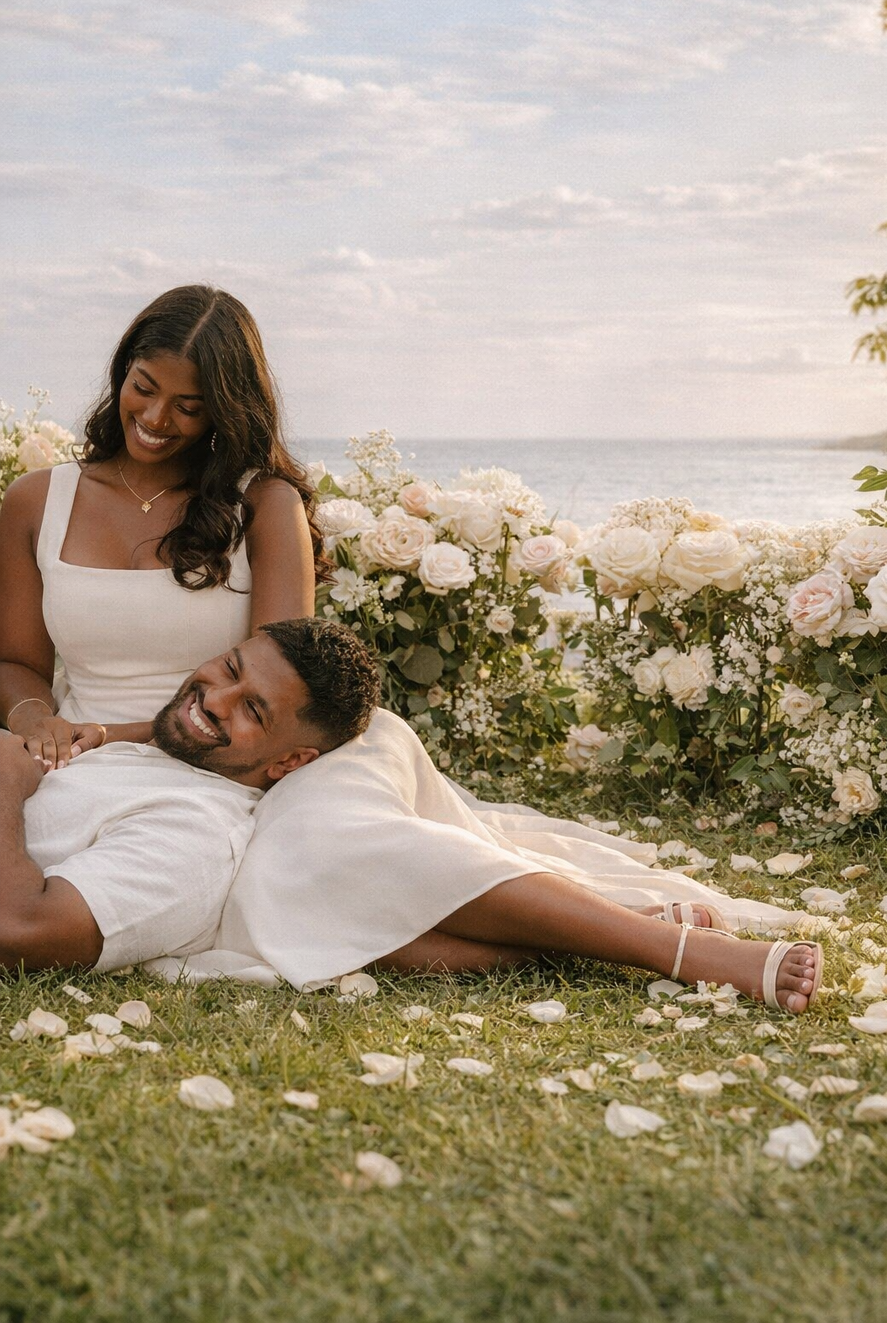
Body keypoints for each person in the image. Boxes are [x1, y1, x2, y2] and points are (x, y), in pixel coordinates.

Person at [170, 708, 824, 1015]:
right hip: (158, 758)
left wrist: (275, 742)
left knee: (342, 841)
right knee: (296, 899)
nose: (162, 423)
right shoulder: (61, 496)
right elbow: (56, 688)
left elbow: (289, 671)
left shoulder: (263, 503)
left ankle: (677, 950)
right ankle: (608, 936)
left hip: (312, 738)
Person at [0, 284, 327, 771]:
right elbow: (18, 665)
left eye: (188, 407)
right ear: (123, 369)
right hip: (68, 761)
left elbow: (273, 697)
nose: (155, 418)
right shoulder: (36, 501)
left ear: (223, 410)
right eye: (144, 388)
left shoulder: (265, 506)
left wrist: (107, 737)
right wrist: (33, 723)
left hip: (213, 762)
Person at [0, 620, 380, 973]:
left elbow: (21, 934)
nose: (215, 700)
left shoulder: (196, 831)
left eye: (252, 709)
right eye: (231, 668)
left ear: (291, 760)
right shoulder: (155, 756)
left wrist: (6, 780)